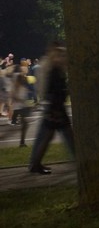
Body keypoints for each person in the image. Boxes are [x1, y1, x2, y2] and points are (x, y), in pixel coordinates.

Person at [29, 46, 75, 175]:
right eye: (62, 56)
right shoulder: (55, 71)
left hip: (55, 108)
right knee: (61, 136)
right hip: (56, 109)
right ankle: (35, 164)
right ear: (56, 58)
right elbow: (55, 91)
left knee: (50, 137)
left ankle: (36, 164)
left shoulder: (56, 70)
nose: (65, 58)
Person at [10, 71, 31, 146]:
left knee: (24, 125)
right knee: (24, 125)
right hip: (20, 108)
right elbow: (14, 96)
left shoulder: (20, 87)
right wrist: (21, 100)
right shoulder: (18, 87)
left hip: (19, 107)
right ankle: (22, 143)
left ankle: (22, 142)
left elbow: (13, 96)